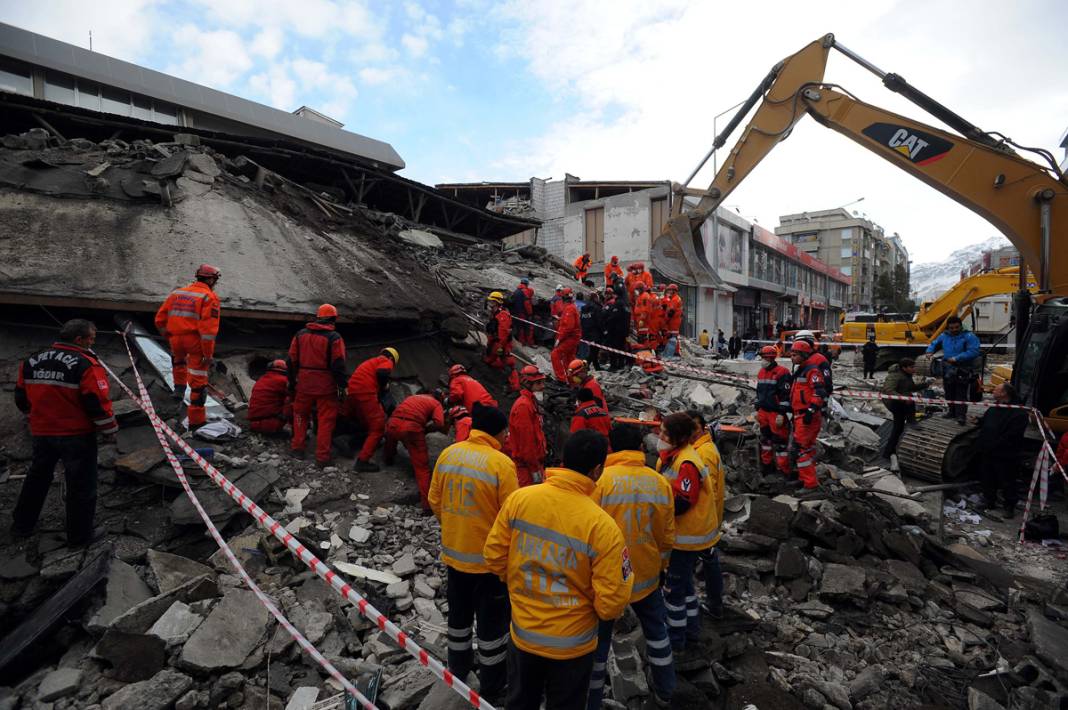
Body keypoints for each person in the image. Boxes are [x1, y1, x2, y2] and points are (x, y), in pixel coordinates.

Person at [483, 430, 632, 710]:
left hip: (524, 634)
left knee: (520, 703)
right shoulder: (602, 527)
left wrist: (521, 586)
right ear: (597, 470)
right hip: (572, 647)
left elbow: (493, 557)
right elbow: (611, 604)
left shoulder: (520, 500)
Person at [429, 403, 517, 705]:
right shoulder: (501, 464)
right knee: (492, 628)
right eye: (505, 432)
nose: (506, 437)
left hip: (455, 557)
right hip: (489, 564)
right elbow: (511, 517)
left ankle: (458, 668)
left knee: (459, 618)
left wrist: (455, 527)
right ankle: (493, 686)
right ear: (497, 432)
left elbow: (435, 500)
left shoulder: (449, 454)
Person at [588, 424, 677, 709]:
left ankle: (591, 700)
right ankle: (665, 690)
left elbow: (586, 530)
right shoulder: (658, 482)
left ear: (611, 447)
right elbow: (666, 535)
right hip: (646, 574)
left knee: (598, 644)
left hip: (606, 578)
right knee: (657, 632)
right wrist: (662, 566)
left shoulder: (600, 482)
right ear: (640, 447)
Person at [12, 319, 117, 546]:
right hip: (76, 434)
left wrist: (36, 416)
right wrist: (109, 429)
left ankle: (21, 526)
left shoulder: (32, 361)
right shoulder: (86, 365)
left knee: (37, 478)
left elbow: (20, 397)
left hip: (42, 432)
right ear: (79, 339)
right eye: (91, 339)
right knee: (81, 484)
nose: (92, 343)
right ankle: (80, 537)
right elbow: (96, 401)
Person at [655, 413, 717, 663]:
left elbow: (683, 501)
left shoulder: (687, 463)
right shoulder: (674, 457)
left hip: (687, 535)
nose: (659, 436)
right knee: (687, 587)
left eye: (664, 433)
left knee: (673, 591)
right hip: (684, 534)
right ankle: (692, 630)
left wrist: (658, 509)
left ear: (678, 437)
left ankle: (677, 642)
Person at [155, 263, 221, 428]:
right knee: (198, 383)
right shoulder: (209, 297)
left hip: (175, 338)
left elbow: (159, 320)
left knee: (178, 361)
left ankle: (179, 390)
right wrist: (208, 355)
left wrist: (169, 336)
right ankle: (196, 422)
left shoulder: (177, 293)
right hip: (195, 342)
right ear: (211, 280)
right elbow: (208, 331)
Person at [288, 304, 347, 466]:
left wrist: (292, 382)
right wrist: (342, 386)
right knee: (326, 420)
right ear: (333, 319)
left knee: (300, 415)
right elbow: (338, 364)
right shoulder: (334, 338)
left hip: (304, 383)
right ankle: (322, 457)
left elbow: (291, 360)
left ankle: (297, 449)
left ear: (318, 317)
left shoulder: (300, 335)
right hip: (325, 386)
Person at [687, 410, 726, 620]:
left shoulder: (704, 453)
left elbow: (708, 491)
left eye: (694, 427)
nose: (691, 432)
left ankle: (713, 604)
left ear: (702, 428)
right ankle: (713, 603)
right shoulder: (701, 449)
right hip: (706, 519)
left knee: (708, 561)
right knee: (708, 560)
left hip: (703, 520)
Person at [384, 390, 447, 510]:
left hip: (393, 423)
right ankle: (427, 506)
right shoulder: (436, 404)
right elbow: (439, 423)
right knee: (422, 469)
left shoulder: (413, 397)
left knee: (390, 439)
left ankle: (388, 458)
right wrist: (426, 430)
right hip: (412, 428)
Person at [974, 384, 1029, 517]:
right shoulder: (995, 407)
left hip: (1006, 454)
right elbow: (987, 421)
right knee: (988, 477)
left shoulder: (1019, 412)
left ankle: (1009, 506)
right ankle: (989, 500)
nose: (993, 391)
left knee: (1007, 480)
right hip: (988, 451)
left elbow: (1012, 435)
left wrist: (995, 444)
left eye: (996, 390)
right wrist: (979, 421)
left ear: (1004, 393)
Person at [345, 347, 399, 472]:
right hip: (365, 393)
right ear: (391, 358)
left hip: (351, 392)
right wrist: (384, 386)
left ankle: (348, 441)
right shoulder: (387, 361)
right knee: (378, 428)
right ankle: (362, 461)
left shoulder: (371, 362)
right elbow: (382, 373)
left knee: (363, 422)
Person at [925, 316, 981, 424]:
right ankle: (952, 411)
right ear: (948, 327)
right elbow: (934, 343)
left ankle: (961, 415)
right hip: (948, 368)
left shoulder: (969, 336)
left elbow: (974, 351)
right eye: (951, 328)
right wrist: (929, 351)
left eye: (956, 327)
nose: (954, 329)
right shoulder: (944, 335)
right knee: (949, 392)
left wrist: (957, 358)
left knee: (961, 393)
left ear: (961, 326)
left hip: (963, 368)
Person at [789, 340, 827, 489]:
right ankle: (804, 478)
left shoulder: (812, 371)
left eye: (795, 355)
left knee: (801, 448)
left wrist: (811, 410)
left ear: (804, 355)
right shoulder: (801, 370)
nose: (791, 357)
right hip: (800, 414)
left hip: (807, 415)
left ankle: (810, 484)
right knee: (807, 448)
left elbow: (819, 392)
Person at [880, 357, 930, 468]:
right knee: (898, 427)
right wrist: (903, 398)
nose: (914, 369)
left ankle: (891, 450)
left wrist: (925, 384)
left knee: (899, 427)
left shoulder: (907, 375)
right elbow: (888, 390)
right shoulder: (894, 376)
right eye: (912, 367)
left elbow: (911, 387)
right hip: (894, 403)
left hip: (901, 402)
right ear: (904, 367)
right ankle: (888, 452)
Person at [756, 346, 792, 476]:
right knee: (765, 440)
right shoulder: (761, 372)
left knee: (780, 442)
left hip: (775, 413)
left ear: (770, 358)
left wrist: (782, 414)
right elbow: (759, 392)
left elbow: (786, 396)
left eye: (763, 358)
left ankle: (784, 471)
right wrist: (758, 407)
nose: (761, 360)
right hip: (764, 412)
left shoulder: (782, 373)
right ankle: (767, 466)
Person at [509, 366, 547, 486]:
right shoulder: (523, 407)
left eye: (542, 382)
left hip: (534, 464)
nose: (543, 386)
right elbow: (526, 443)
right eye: (538, 383)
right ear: (527, 384)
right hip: (527, 469)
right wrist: (534, 471)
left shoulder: (530, 402)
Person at [484, 292, 519, 392]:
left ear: (496, 302)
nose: (489, 303)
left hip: (501, 343)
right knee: (489, 360)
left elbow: (503, 334)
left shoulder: (502, 315)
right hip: (494, 341)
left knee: (509, 363)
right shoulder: (495, 313)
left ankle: (515, 387)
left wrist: (500, 347)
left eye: (491, 301)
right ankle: (498, 374)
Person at [247, 359, 292, 435]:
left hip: (254, 424)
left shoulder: (261, 380)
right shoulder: (283, 381)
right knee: (294, 401)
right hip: (271, 424)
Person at [551, 288, 581, 381]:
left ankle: (561, 379)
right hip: (573, 337)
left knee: (555, 354)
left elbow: (568, 327)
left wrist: (559, 339)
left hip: (570, 338)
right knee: (568, 360)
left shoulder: (569, 308)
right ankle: (572, 381)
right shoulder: (571, 307)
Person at [794, 330, 833, 399]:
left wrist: (821, 400)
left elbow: (827, 384)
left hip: (813, 402)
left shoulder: (820, 360)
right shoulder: (800, 359)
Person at [602, 291, 630, 371]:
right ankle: (621, 364)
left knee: (613, 348)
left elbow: (614, 317)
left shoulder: (617, 303)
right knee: (621, 348)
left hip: (615, 331)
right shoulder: (625, 303)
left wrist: (607, 324)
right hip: (623, 330)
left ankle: (614, 366)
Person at [579, 291, 604, 367]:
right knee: (594, 350)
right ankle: (586, 365)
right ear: (595, 298)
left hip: (586, 332)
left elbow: (582, 320)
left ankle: (596, 365)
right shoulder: (597, 307)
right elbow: (599, 321)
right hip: (595, 332)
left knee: (591, 350)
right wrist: (603, 331)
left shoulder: (584, 308)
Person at [509, 278, 536, 346]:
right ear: (527, 284)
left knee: (520, 328)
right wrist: (530, 314)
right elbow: (527, 304)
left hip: (516, 313)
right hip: (524, 313)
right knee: (528, 328)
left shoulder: (516, 291)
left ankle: (522, 342)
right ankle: (529, 342)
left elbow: (511, 301)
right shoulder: (526, 291)